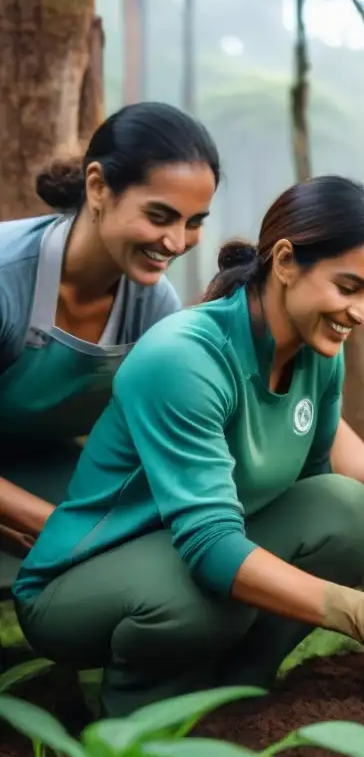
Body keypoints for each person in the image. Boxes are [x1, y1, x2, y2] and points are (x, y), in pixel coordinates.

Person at [12, 175, 364, 717]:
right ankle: (136, 716)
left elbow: (323, 473)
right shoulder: (185, 359)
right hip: (79, 580)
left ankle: (240, 691)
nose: (363, 314)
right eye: (348, 288)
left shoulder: (318, 354)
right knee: (212, 597)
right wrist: (352, 610)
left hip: (182, 557)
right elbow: (211, 546)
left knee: (345, 511)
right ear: (284, 261)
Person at [0, 102, 220, 599]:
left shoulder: (153, 305)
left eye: (194, 222)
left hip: (37, 465)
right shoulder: (6, 279)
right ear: (98, 187)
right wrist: (60, 528)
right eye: (159, 215)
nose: (175, 240)